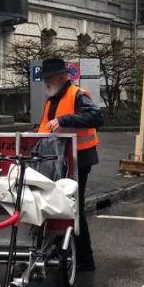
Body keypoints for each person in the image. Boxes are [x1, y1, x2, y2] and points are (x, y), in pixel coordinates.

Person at [37, 57, 103, 271]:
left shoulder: (77, 95)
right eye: (44, 78)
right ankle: (61, 248)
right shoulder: (51, 99)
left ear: (63, 76)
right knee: (58, 204)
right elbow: (44, 128)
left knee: (75, 207)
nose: (46, 82)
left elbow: (96, 117)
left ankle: (85, 259)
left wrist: (65, 120)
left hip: (79, 159)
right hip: (58, 160)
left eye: (49, 78)